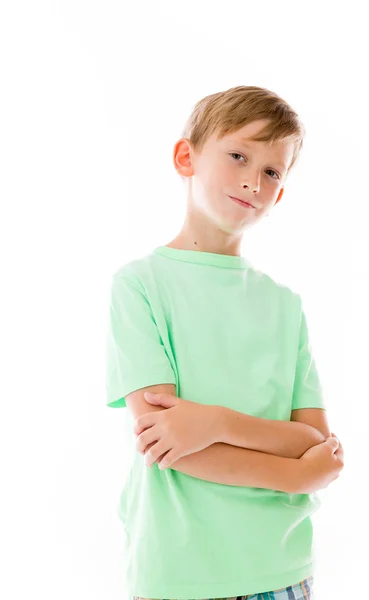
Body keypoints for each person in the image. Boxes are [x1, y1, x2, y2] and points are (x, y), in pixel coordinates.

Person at [105, 85, 344, 600]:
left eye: (271, 172)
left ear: (280, 193)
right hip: (182, 575)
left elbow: (316, 442)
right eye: (238, 155)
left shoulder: (285, 305)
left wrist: (212, 423)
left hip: (283, 570)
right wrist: (297, 476)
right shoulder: (141, 285)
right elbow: (168, 446)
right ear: (186, 156)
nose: (252, 181)